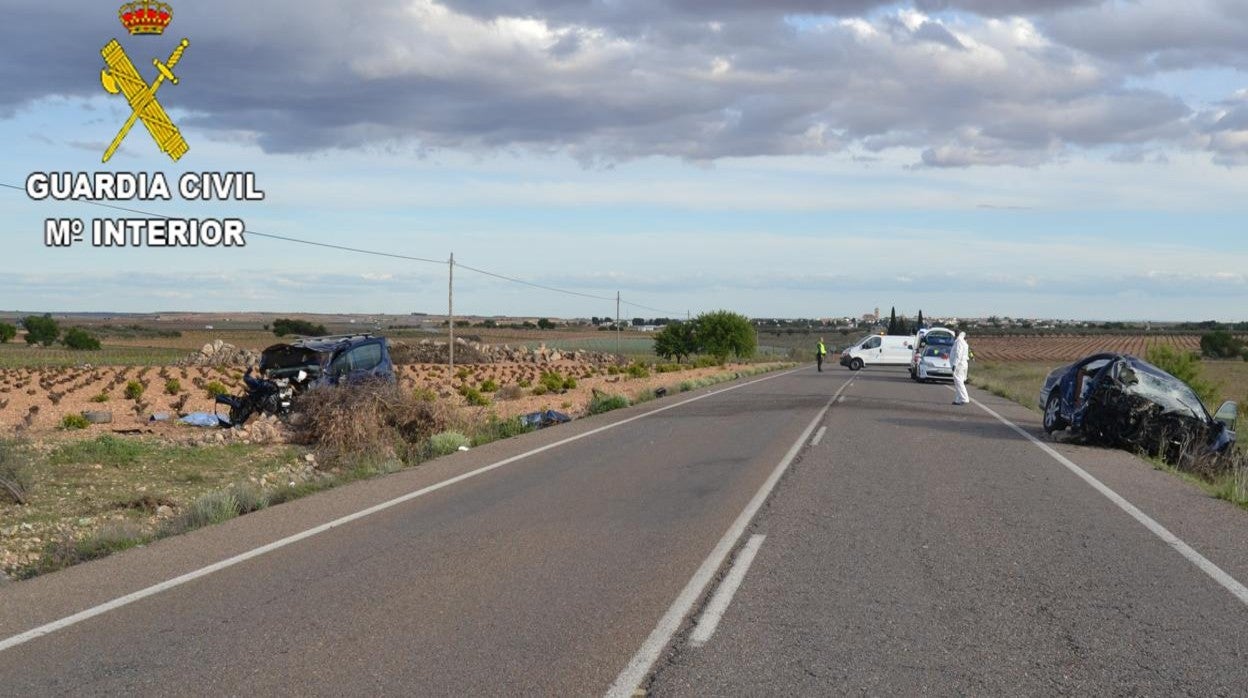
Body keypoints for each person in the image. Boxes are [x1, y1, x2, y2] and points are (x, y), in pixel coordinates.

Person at [950, 331, 970, 405]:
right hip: (962, 364)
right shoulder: (963, 342)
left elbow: (958, 353)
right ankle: (958, 399)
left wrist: (955, 364)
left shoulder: (959, 342)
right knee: (959, 382)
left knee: (958, 381)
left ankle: (964, 398)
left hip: (959, 364)